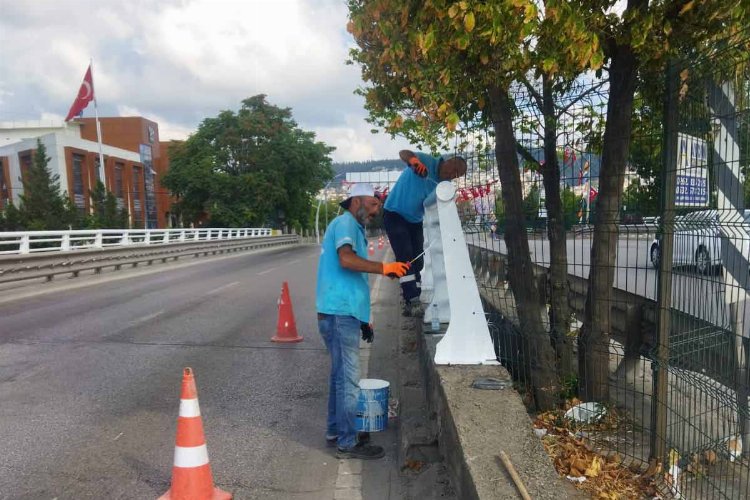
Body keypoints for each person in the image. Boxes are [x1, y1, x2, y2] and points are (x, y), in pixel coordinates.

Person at [316, 182, 411, 460]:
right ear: (356, 200)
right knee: (348, 381)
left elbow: (354, 278)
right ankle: (347, 442)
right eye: (372, 205)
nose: (375, 211)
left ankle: (335, 432)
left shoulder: (353, 227)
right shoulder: (345, 223)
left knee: (339, 377)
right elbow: (346, 260)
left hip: (343, 312)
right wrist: (385, 267)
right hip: (338, 313)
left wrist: (364, 319)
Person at [383, 150, 467, 316]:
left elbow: (431, 203)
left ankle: (414, 296)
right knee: (405, 256)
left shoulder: (442, 184)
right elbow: (403, 153)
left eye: (457, 175)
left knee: (418, 260)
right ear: (447, 161)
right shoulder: (427, 160)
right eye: (453, 169)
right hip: (394, 213)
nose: (452, 175)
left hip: (415, 220)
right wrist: (414, 161)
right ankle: (412, 300)